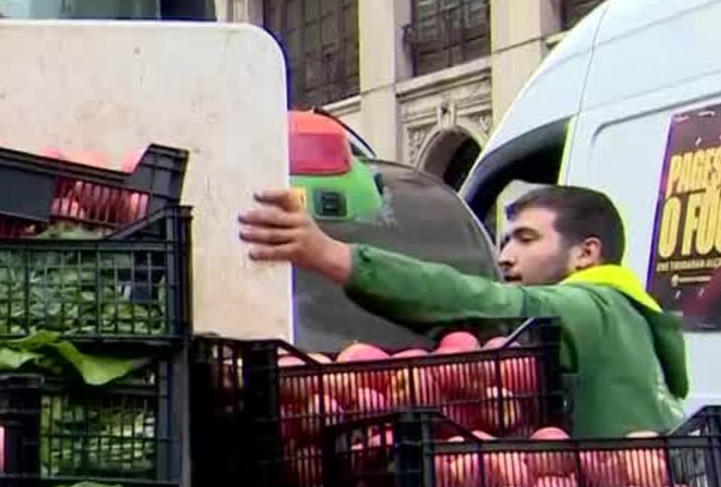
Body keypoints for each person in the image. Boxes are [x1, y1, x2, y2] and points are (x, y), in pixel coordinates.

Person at [239, 184, 685, 437]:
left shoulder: (589, 308)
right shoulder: (634, 315)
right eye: (504, 241)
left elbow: (482, 301)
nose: (505, 257)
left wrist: (334, 256)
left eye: (526, 240)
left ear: (586, 253)